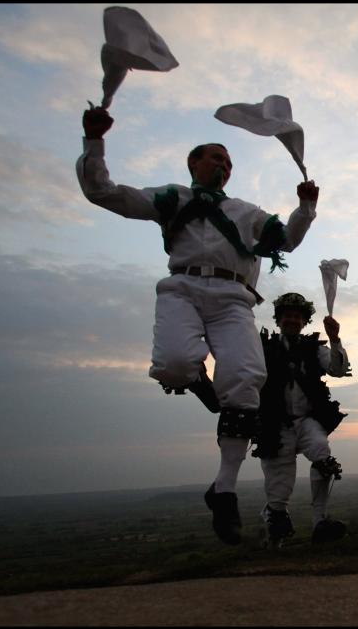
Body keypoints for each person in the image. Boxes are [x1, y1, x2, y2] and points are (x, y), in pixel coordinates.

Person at [77, 107, 318, 544]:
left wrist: (305, 206)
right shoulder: (172, 199)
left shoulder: (245, 212)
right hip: (182, 290)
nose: (222, 166)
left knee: (247, 380)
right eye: (214, 158)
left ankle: (223, 491)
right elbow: (104, 193)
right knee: (173, 366)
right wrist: (94, 142)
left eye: (228, 162)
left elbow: (285, 240)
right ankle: (202, 385)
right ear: (193, 164)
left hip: (233, 299)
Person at [257, 293, 350, 547]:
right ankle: (275, 536)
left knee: (322, 452)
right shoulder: (263, 348)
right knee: (279, 483)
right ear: (278, 319)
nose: (292, 320)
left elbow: (338, 369)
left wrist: (334, 339)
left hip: (307, 419)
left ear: (304, 321)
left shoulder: (313, 348)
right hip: (275, 423)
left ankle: (320, 522)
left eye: (297, 316)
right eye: (287, 315)